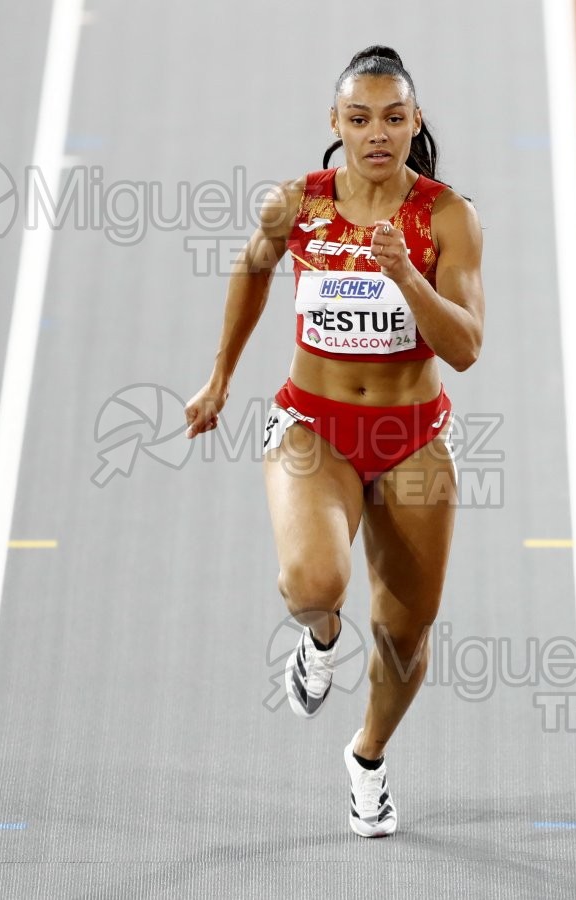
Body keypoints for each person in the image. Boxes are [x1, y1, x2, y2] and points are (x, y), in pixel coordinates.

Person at [184, 45, 485, 838]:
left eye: (392, 117)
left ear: (414, 121)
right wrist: (218, 378)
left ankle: (367, 757)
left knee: (405, 633)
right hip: (314, 426)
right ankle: (319, 641)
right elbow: (251, 269)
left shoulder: (445, 216)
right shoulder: (298, 205)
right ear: (336, 125)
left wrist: (408, 280)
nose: (376, 133)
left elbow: (465, 348)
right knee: (315, 583)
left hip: (411, 435)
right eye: (359, 119)